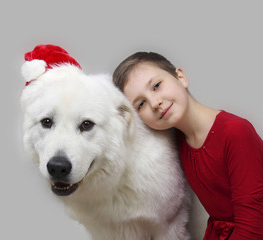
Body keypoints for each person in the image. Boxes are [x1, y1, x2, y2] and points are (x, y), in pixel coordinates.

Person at [112, 52, 263, 240]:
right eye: (141, 104)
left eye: (157, 86)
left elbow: (254, 227)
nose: (155, 102)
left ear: (181, 78)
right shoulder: (175, 142)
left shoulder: (236, 131)